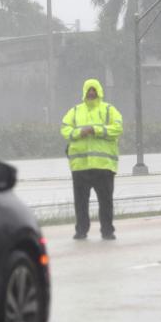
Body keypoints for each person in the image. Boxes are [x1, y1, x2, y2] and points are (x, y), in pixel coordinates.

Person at [60, 78, 124, 240]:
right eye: (89, 90)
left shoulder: (109, 110)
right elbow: (64, 129)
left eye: (94, 90)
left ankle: (107, 231)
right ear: (84, 92)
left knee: (106, 202)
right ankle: (81, 230)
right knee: (80, 203)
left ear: (99, 92)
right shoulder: (75, 111)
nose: (91, 93)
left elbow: (117, 128)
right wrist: (78, 133)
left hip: (103, 166)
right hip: (80, 167)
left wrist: (95, 130)